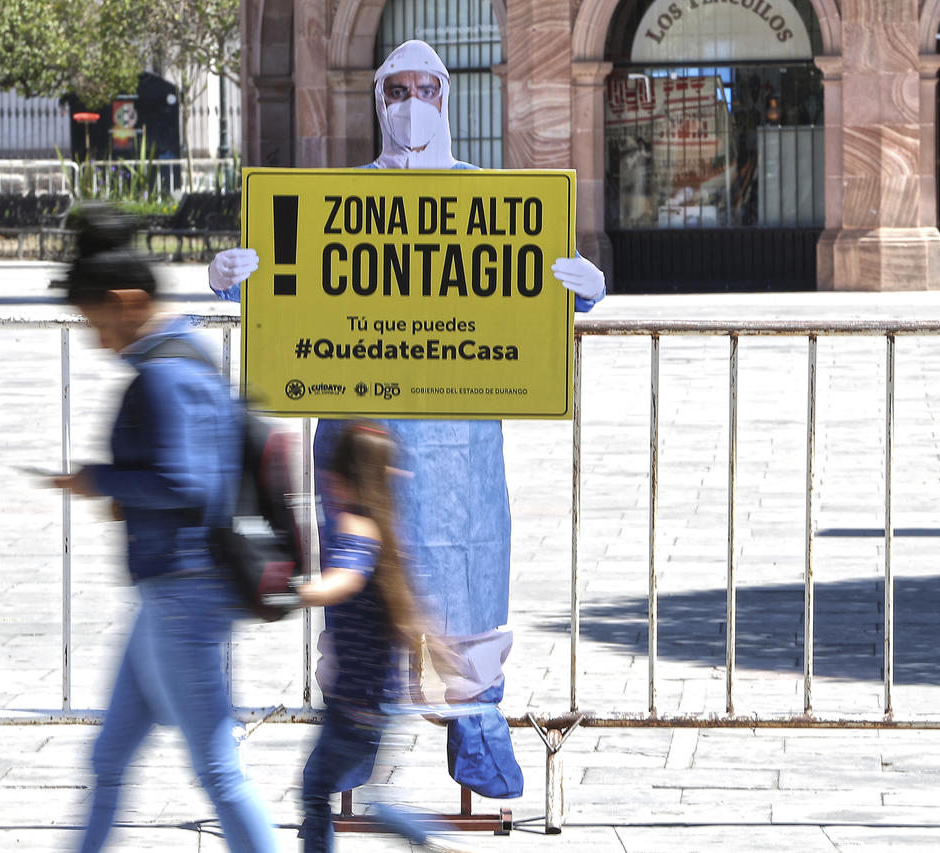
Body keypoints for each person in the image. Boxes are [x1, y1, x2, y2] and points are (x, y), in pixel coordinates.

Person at [208, 39, 607, 794]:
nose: (412, 105)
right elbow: (285, 289)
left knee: (467, 577)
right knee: (363, 589)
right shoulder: (335, 203)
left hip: (460, 444)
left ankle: (476, 724)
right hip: (361, 444)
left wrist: (584, 291)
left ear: (446, 100)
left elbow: (531, 297)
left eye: (426, 89)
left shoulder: (491, 204)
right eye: (398, 91)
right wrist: (231, 277)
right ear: (379, 100)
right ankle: (356, 729)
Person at [54, 215, 277, 853]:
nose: (96, 340)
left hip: (186, 592)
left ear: (128, 302)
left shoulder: (164, 375)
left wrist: (102, 481)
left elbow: (185, 483)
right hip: (166, 591)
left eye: (97, 322)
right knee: (108, 756)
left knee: (217, 770)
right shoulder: (181, 356)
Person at [283, 421, 473, 853]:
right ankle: (426, 837)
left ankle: (427, 838)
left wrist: (298, 592)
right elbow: (411, 613)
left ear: (340, 477)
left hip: (354, 702)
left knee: (315, 789)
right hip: (373, 700)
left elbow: (345, 578)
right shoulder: (385, 529)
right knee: (360, 794)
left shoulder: (355, 527)